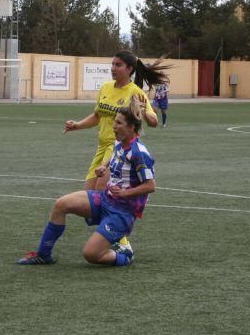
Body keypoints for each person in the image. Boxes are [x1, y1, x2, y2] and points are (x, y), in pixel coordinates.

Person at [19, 95, 156, 266]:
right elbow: (115, 153)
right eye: (115, 121)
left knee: (91, 255)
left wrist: (125, 193)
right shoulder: (120, 143)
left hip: (121, 213)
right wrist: (104, 166)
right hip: (105, 199)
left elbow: (150, 186)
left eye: (119, 123)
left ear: (131, 127)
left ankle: (125, 256)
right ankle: (43, 254)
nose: (114, 126)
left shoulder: (140, 153)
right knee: (61, 204)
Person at [63, 50, 170, 254]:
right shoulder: (105, 88)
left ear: (129, 69)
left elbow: (153, 121)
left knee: (103, 196)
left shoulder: (135, 92)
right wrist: (77, 125)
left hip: (118, 149)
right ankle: (110, 235)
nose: (113, 68)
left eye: (118, 65)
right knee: (89, 198)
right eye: (112, 64)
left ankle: (122, 243)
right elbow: (97, 116)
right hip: (101, 147)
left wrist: (145, 111)